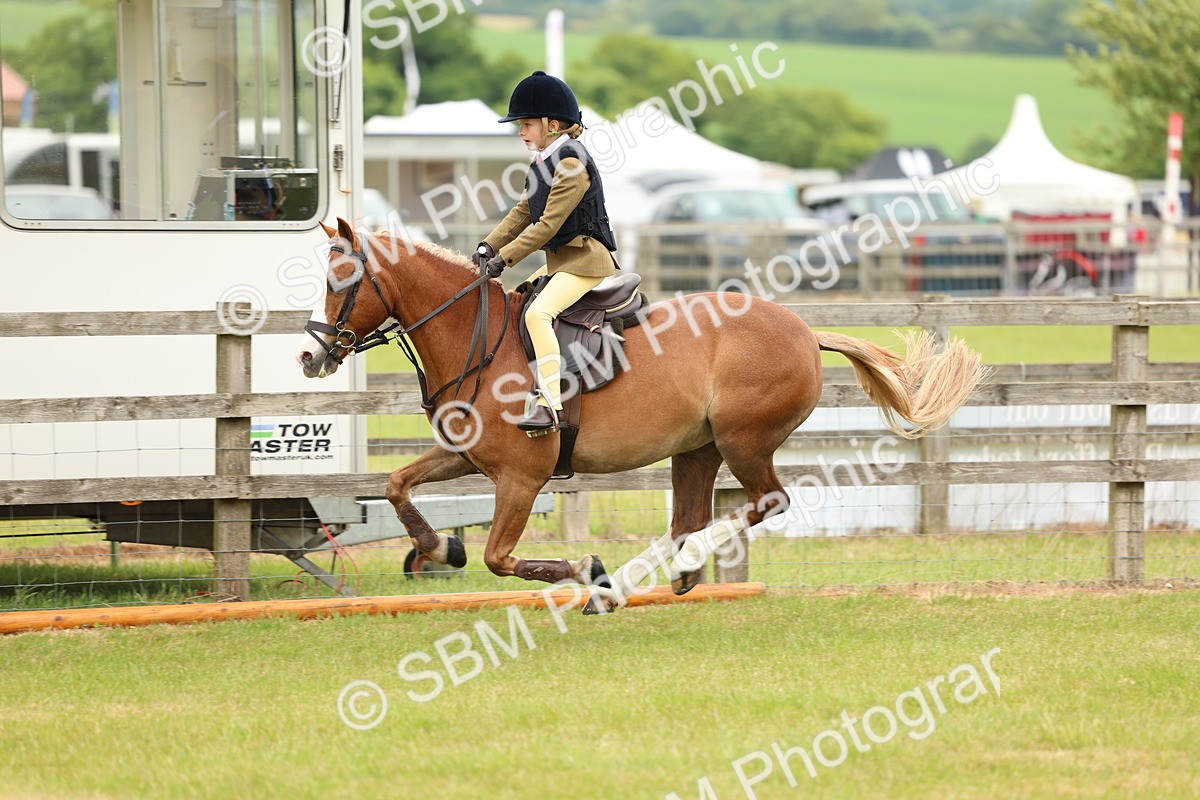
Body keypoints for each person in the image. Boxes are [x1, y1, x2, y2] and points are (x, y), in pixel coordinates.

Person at [475, 71, 620, 434]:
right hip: (563, 262)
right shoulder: (543, 161)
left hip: (586, 261)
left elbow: (547, 227)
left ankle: (550, 405)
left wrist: (503, 259)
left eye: (526, 124)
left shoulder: (570, 165)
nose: (521, 132)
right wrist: (486, 245)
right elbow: (522, 213)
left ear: (552, 125)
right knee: (516, 303)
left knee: (537, 314)